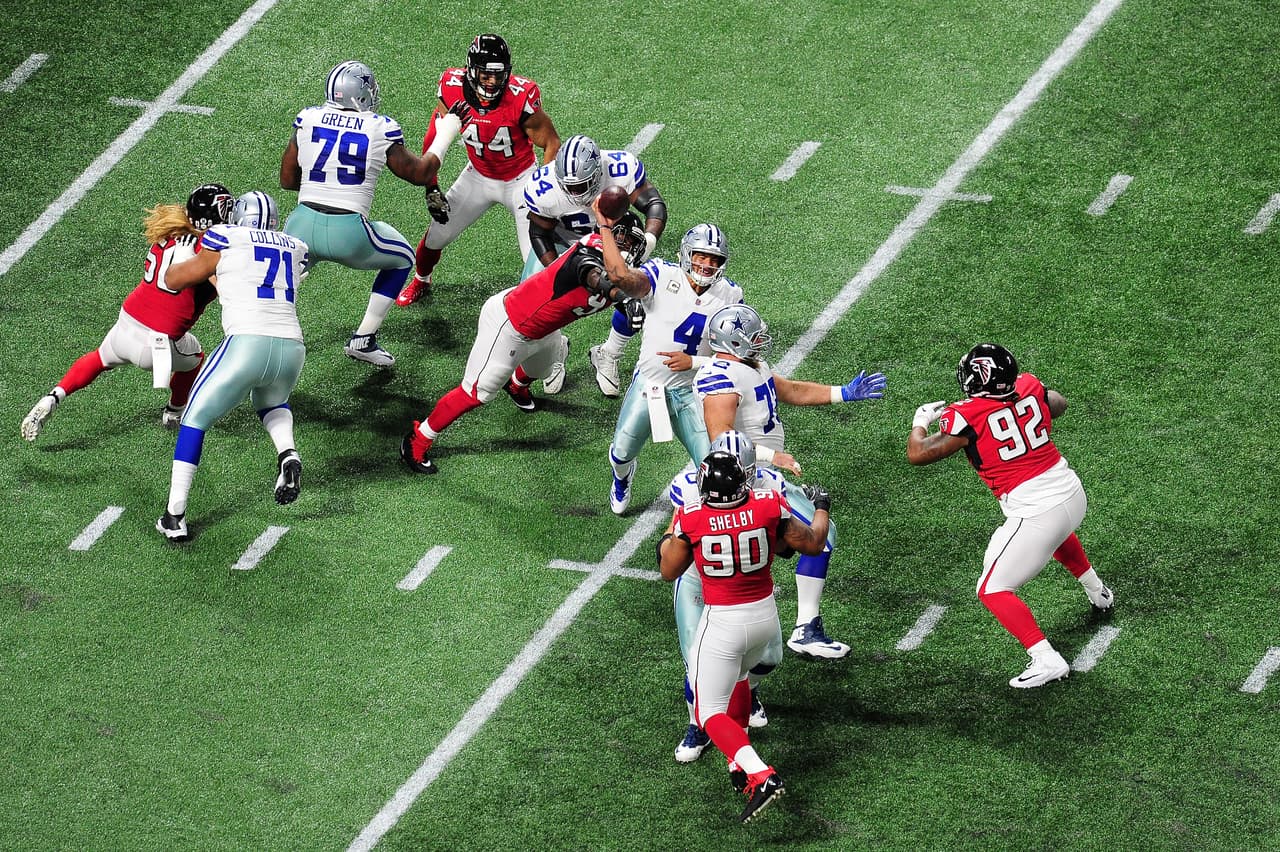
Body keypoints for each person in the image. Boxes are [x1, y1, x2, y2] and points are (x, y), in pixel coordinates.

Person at [906, 342, 1114, 688]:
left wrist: (920, 422)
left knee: (992, 588)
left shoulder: (966, 415)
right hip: (1071, 493)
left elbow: (918, 453)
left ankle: (1046, 658)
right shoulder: (1029, 385)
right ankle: (1098, 591)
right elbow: (1058, 404)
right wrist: (1026, 403)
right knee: (1057, 533)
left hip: (1036, 510)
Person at [690, 303, 886, 661]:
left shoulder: (750, 366)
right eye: (753, 337)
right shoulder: (719, 377)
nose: (761, 341)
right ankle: (803, 629)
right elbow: (722, 436)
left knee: (789, 542)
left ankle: (764, 619)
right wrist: (770, 457)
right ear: (733, 341)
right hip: (748, 476)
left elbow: (789, 389)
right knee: (818, 537)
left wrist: (843, 392)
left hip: (760, 472)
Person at [400, 206, 650, 475]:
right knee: (476, 393)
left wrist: (632, 303)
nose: (626, 247)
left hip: (545, 329)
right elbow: (592, 275)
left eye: (632, 242)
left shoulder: (624, 275)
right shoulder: (589, 252)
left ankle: (516, 384)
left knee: (542, 369)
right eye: (621, 239)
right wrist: (624, 298)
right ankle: (418, 438)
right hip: (510, 324)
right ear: (608, 235)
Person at [657, 448, 833, 824]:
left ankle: (761, 774)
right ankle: (738, 763)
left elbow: (669, 570)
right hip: (764, 617)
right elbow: (812, 543)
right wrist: (821, 506)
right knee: (738, 680)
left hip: (723, 623)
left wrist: (670, 536)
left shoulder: (693, 516)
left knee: (708, 713)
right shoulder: (769, 504)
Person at [280, 59, 461, 368]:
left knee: (278, 279)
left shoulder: (307, 118)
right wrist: (446, 136)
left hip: (300, 223)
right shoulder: (379, 126)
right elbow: (419, 173)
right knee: (403, 257)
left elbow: (288, 180)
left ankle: (273, 338)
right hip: (348, 232)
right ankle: (364, 338)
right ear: (360, 95)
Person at [21, 184, 234, 442]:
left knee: (99, 358)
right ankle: (174, 412)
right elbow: (225, 290)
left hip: (127, 320)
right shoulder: (207, 250)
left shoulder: (172, 231)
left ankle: (55, 395)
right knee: (195, 358)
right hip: (157, 344)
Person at [156, 192, 309, 542]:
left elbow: (175, 280)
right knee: (272, 403)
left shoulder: (227, 236)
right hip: (291, 347)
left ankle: (174, 515)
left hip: (247, 342)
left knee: (193, 417)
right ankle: (288, 453)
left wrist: (180, 256)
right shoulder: (295, 246)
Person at [395, 33, 561, 307]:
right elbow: (435, 135)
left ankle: (530, 314)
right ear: (471, 71)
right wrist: (431, 186)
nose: (493, 82)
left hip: (521, 180)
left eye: (499, 75)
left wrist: (542, 191)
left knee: (535, 259)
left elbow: (551, 143)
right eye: (486, 75)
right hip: (478, 174)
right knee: (436, 235)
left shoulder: (521, 97)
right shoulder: (451, 87)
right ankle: (421, 280)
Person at [605, 223, 741, 515]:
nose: (707, 265)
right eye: (701, 256)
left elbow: (734, 357)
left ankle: (704, 521)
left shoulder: (730, 295)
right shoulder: (661, 274)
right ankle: (622, 477)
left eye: (715, 259)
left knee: (712, 463)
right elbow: (626, 280)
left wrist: (695, 363)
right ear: (686, 253)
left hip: (694, 391)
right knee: (620, 454)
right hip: (651, 385)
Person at [668, 431, 786, 763]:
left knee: (768, 657)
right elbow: (676, 553)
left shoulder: (770, 485)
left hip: (745, 588)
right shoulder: (689, 487)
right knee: (696, 666)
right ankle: (698, 724)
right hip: (699, 580)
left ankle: (744, 693)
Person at [521, 133, 667, 395]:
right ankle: (555, 349)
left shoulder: (620, 168)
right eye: (569, 186)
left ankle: (608, 353)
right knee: (534, 305)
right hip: (565, 243)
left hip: (613, 244)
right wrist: (557, 271)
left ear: (598, 172)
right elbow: (539, 233)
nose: (575, 192)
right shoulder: (544, 187)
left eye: (581, 185)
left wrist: (648, 240)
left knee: (640, 297)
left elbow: (654, 204)